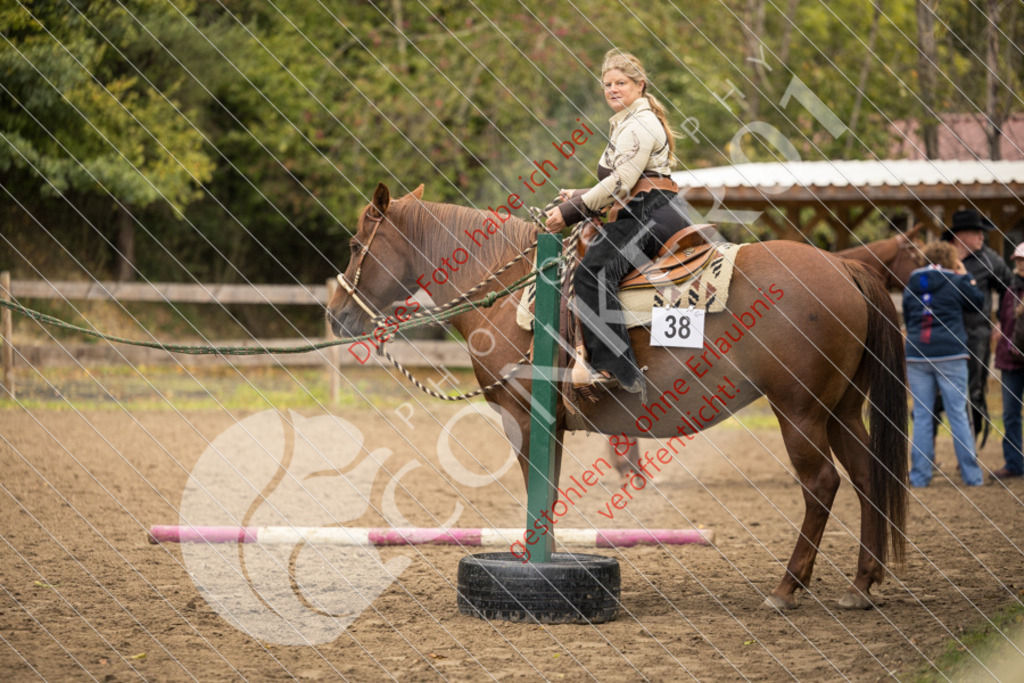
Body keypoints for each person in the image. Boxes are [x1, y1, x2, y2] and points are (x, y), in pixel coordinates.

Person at [544, 49, 688, 394]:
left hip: (648, 212)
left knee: (591, 272)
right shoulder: (628, 122)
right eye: (607, 84)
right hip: (647, 205)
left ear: (639, 85)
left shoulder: (637, 125)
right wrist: (579, 195)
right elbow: (631, 179)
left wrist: (570, 212)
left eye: (620, 82)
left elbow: (621, 182)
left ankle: (617, 370)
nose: (612, 89)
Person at [904, 241, 985, 487]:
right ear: (951, 259)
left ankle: (919, 476)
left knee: (922, 415)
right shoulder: (956, 280)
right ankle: (971, 476)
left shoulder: (913, 282)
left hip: (917, 352)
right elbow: (977, 303)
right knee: (957, 414)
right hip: (951, 353)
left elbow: (908, 313)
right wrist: (966, 274)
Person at [940, 209, 1013, 440]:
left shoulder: (990, 259)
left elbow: (1010, 289)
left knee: (975, 391)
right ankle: (928, 454)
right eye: (976, 232)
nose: (982, 237)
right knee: (935, 394)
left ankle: (969, 450)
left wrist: (1001, 320)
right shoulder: (940, 258)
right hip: (942, 335)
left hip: (976, 336)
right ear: (959, 236)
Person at [992, 242, 1024, 480]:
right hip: (1010, 361)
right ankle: (1014, 463)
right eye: (1018, 260)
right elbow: (1003, 322)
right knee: (1010, 414)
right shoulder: (1010, 289)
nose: (1020, 264)